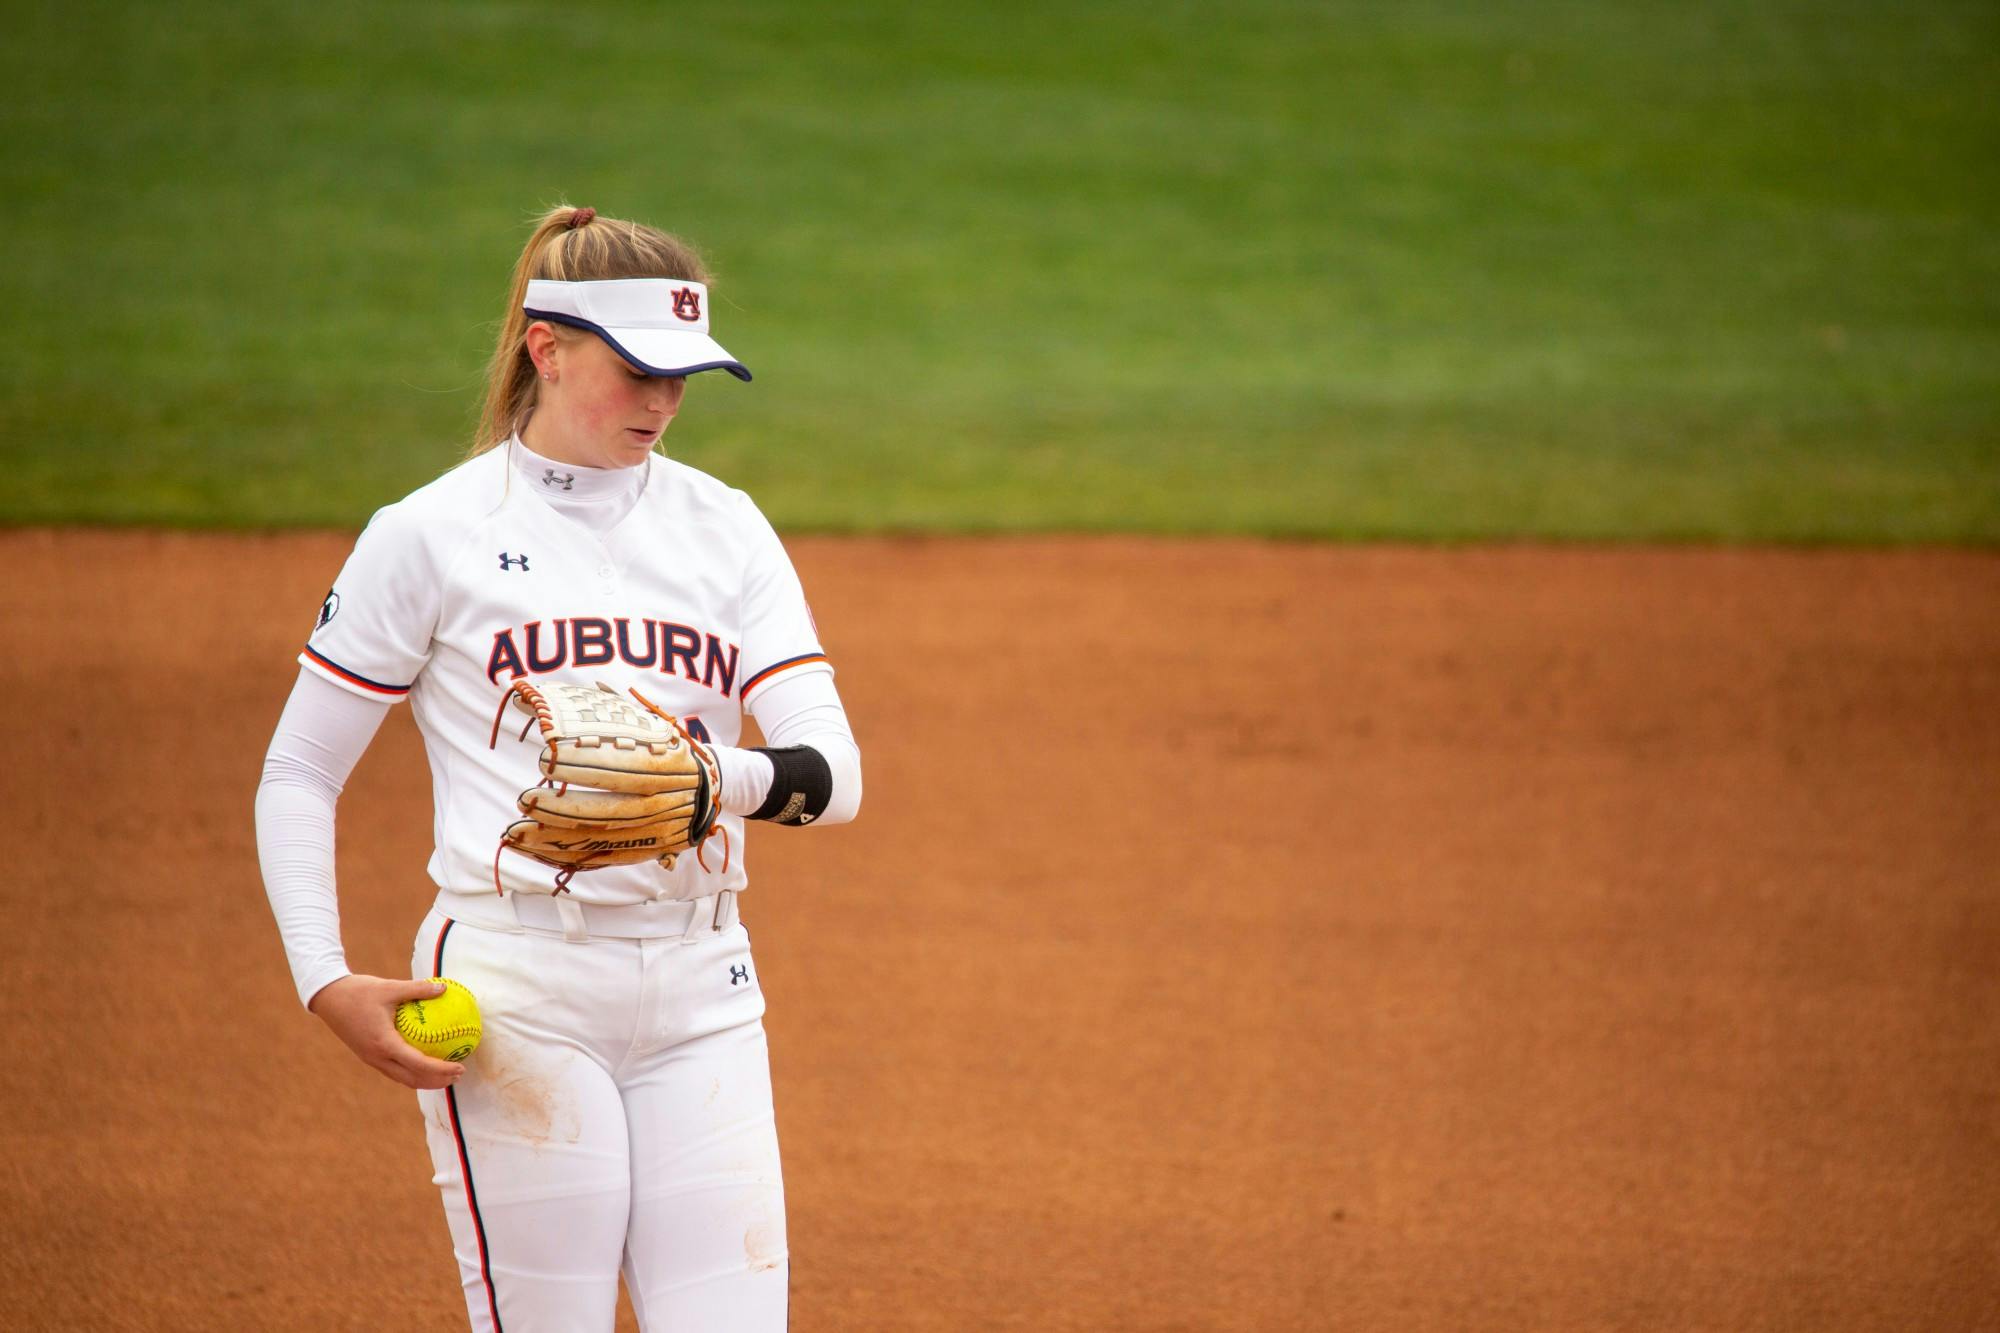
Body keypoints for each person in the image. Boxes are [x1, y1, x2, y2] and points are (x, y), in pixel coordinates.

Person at [254, 204, 860, 1331]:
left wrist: (705, 776)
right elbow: (298, 769)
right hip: (517, 986)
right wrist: (322, 976)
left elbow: (834, 774)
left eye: (686, 375)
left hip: (704, 988)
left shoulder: (726, 527)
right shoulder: (432, 533)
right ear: (547, 346)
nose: (665, 400)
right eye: (638, 371)